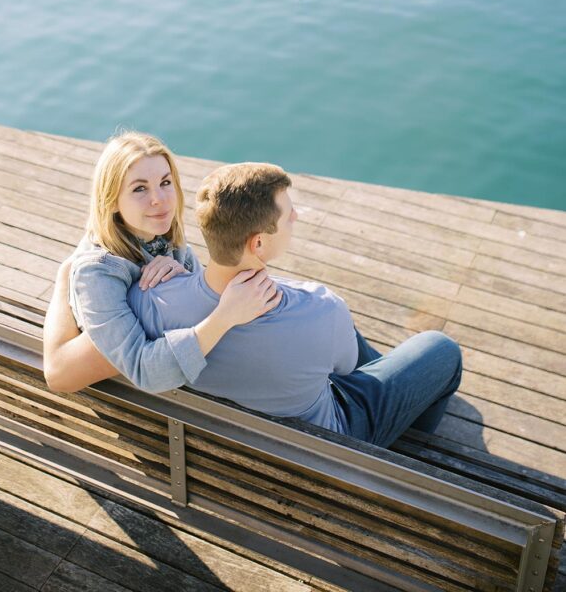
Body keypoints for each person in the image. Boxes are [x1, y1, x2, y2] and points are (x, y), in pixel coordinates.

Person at [46, 158, 463, 448]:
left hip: (236, 431)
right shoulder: (322, 306)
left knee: (341, 339)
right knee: (439, 349)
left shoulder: (146, 298)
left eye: (165, 183)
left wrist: (176, 278)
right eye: (289, 213)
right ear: (258, 242)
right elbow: (343, 369)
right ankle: (416, 434)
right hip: (332, 437)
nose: (296, 218)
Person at [43, 132, 281, 394]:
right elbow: (144, 370)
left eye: (165, 182)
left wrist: (183, 279)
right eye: (140, 188)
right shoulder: (98, 273)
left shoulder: (169, 242)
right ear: (110, 201)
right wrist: (223, 318)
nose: (159, 199)